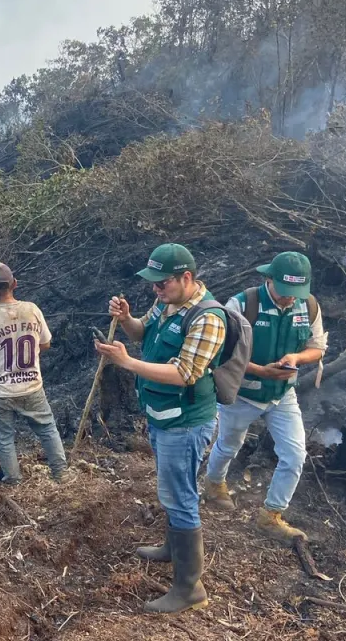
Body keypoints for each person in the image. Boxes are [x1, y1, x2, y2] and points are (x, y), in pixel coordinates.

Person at [96, 243, 225, 613]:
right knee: (170, 489)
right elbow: (141, 334)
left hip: (185, 423)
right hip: (162, 416)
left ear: (187, 277)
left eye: (162, 282)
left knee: (181, 498)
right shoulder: (168, 303)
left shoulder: (207, 318)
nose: (156, 289)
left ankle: (189, 589)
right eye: (153, 283)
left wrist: (128, 364)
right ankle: (173, 548)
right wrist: (126, 320)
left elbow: (185, 374)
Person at [201, 251, 327, 542]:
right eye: (284, 293)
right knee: (230, 444)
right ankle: (214, 483)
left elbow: (317, 347)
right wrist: (259, 370)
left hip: (282, 395)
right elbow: (218, 352)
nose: (289, 299)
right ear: (268, 279)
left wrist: (297, 357)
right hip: (242, 393)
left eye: (295, 293)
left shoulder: (308, 306)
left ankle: (271, 516)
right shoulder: (242, 304)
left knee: (295, 455)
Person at [0, 262, 70, 484]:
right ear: (15, 284)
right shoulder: (32, 309)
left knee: (4, 436)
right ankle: (61, 474)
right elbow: (46, 343)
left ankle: (13, 479)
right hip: (32, 384)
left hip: (0, 390)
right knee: (47, 428)